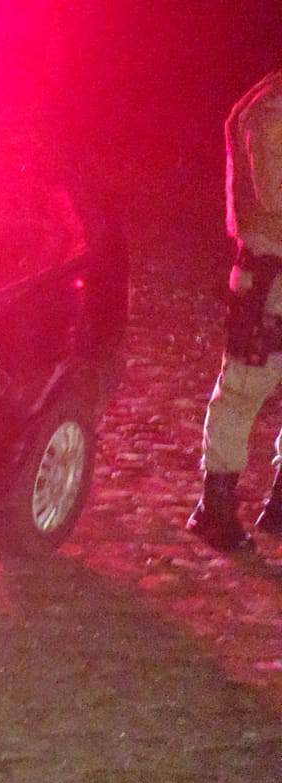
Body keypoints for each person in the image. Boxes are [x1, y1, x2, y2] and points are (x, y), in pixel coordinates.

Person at [189, 66, 282, 550]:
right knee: (243, 391)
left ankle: (279, 504)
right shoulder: (270, 110)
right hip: (270, 278)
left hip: (271, 273)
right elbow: (274, 194)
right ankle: (215, 508)